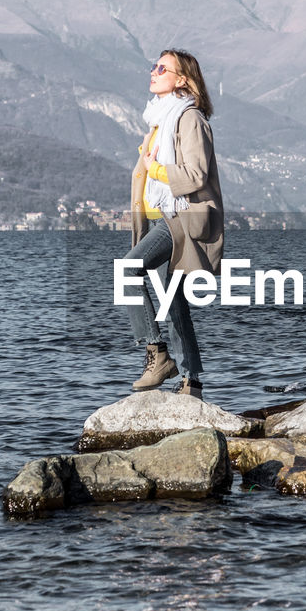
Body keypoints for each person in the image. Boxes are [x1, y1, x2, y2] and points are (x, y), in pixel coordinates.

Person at [121, 48, 224, 399]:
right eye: (154, 66)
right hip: (162, 217)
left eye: (162, 68)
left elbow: (196, 174)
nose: (154, 71)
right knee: (173, 300)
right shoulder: (160, 120)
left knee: (127, 272)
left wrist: (156, 169)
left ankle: (157, 353)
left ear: (182, 79)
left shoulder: (190, 119)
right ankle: (191, 383)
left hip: (181, 217)